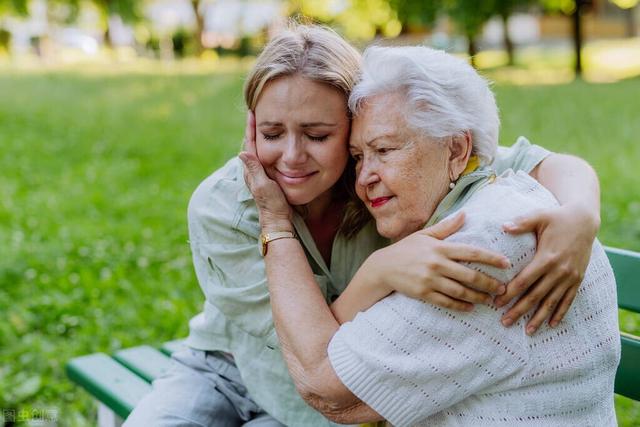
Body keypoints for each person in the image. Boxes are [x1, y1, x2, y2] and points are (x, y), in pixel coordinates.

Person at [125, 25, 602, 426]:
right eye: (272, 134)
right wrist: (380, 269)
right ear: (252, 128)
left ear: (354, 121)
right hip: (232, 367)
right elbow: (306, 342)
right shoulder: (224, 207)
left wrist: (580, 212)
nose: (291, 157)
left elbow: (524, 160)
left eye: (318, 135)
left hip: (321, 404)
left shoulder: (379, 179)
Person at [240, 45, 620, 426]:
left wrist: (274, 222)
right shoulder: (493, 203)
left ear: (457, 149)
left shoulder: (482, 245)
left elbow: (328, 390)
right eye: (358, 157)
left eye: (384, 150)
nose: (363, 179)